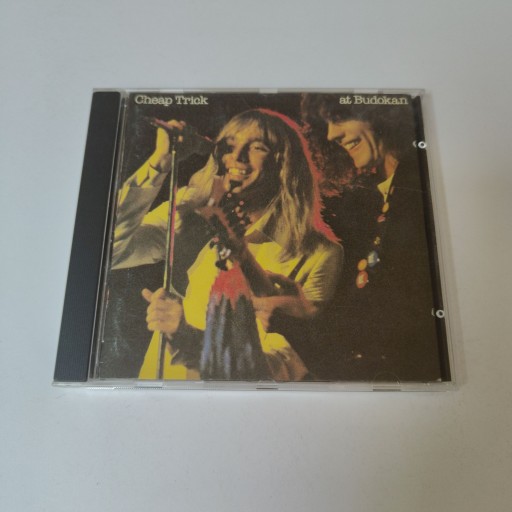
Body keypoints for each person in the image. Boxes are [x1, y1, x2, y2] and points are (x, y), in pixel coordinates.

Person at [111, 109, 342, 381]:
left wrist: (187, 337)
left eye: (258, 147)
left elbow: (284, 367)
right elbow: (111, 251)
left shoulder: (319, 254)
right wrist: (159, 163)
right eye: (230, 146)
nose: (238, 157)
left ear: (285, 165)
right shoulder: (189, 209)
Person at [302, 94, 446, 382]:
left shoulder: (418, 188)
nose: (331, 135)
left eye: (340, 118)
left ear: (380, 115)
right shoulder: (382, 195)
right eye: (327, 124)